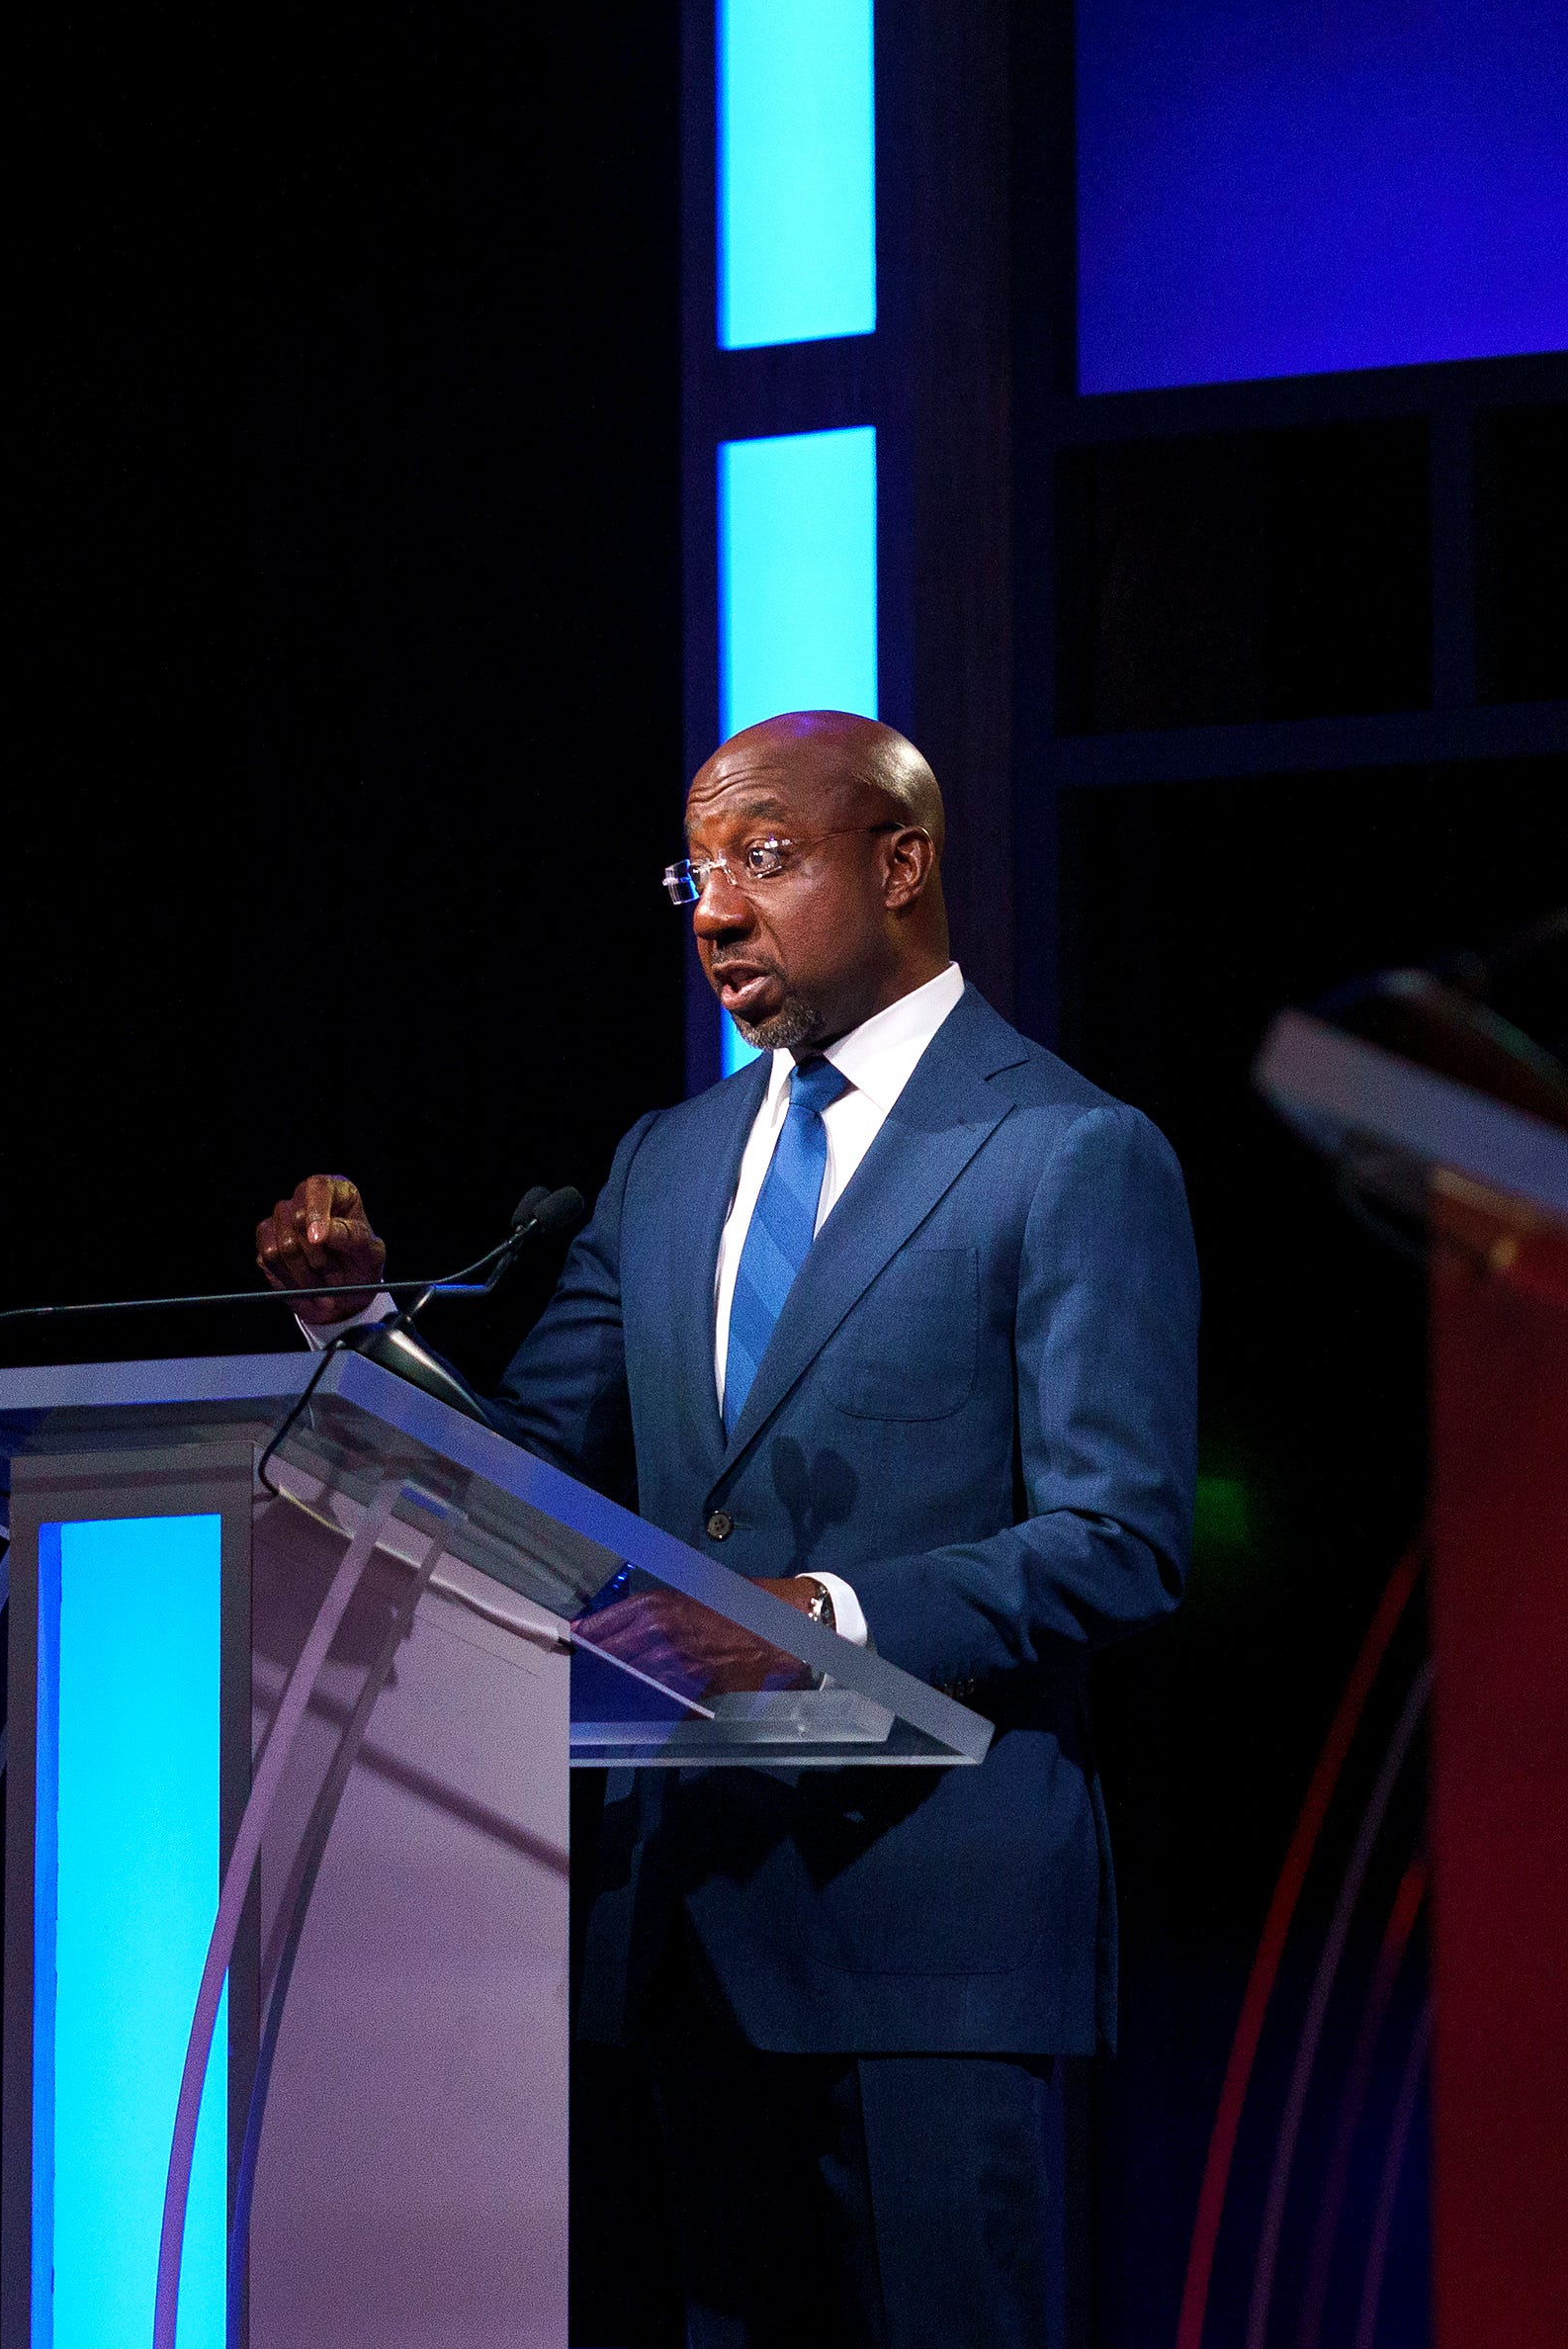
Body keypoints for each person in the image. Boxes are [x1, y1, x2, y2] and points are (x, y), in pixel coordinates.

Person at [257, 711, 1196, 2349]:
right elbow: (532, 1480)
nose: (712, 911)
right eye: (697, 870)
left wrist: (820, 1612)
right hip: (689, 1919)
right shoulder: (667, 1161)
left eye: (765, 859)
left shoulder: (1065, 1151)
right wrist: (363, 1333)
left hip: (929, 1936)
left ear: (901, 865)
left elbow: (1122, 1536)